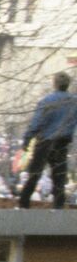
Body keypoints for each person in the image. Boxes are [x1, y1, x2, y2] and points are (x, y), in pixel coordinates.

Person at [18, 72, 75, 209]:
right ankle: (58, 207)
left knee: (35, 173)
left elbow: (36, 123)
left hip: (45, 141)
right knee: (59, 177)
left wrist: (27, 139)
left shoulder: (47, 101)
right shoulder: (74, 101)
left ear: (54, 84)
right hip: (62, 142)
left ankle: (23, 204)